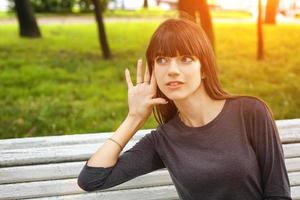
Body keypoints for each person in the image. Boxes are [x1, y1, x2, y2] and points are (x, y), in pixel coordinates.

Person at [77, 17, 292, 200]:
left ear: (204, 69)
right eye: (161, 60)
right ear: (153, 73)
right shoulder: (163, 140)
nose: (172, 70)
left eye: (185, 59)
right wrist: (134, 118)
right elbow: (92, 179)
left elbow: (278, 194)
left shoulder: (250, 113)